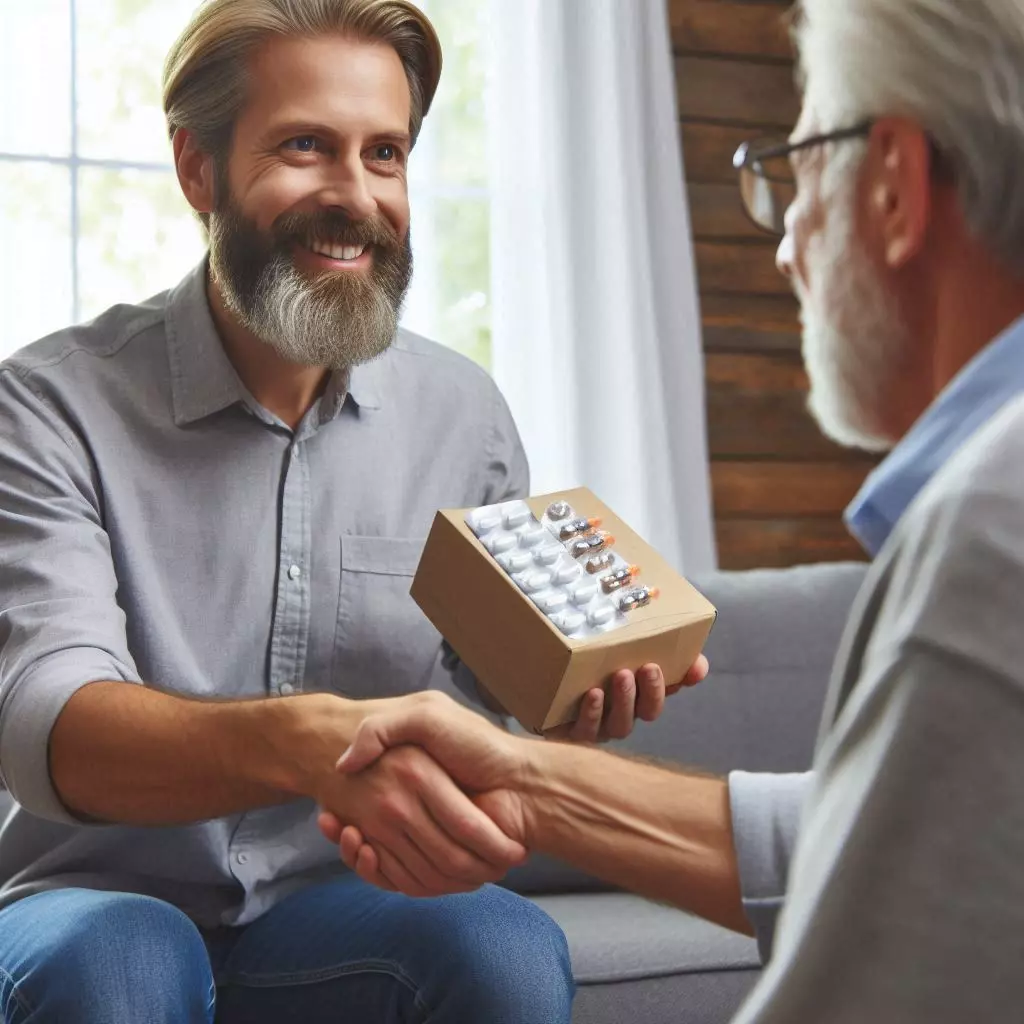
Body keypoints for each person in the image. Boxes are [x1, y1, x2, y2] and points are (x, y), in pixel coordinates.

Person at [323, 0, 1024, 1019]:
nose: (785, 247)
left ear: (892, 189)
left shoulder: (990, 534)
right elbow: (879, 829)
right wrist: (533, 780)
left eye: (799, 167)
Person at [0, 1, 689, 1020]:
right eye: (305, 146)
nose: (355, 197)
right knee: (121, 961)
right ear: (198, 168)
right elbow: (48, 725)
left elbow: (489, 708)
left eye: (385, 154)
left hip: (337, 911)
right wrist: (311, 738)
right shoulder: (48, 404)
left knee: (500, 944)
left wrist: (563, 704)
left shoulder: (464, 415)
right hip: (92, 900)